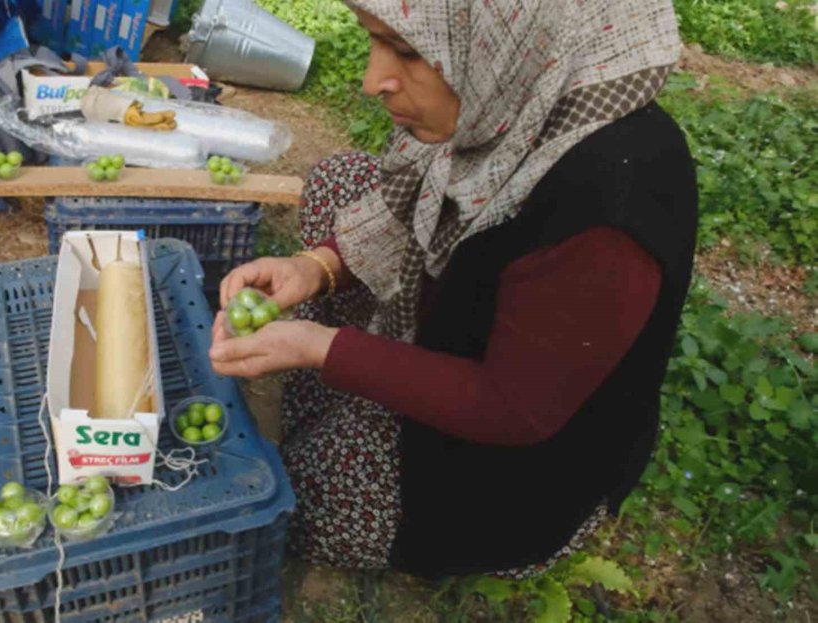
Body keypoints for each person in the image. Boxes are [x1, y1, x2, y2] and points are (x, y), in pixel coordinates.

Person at [210, 0, 697, 578]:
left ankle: (356, 406)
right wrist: (318, 267)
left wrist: (321, 347)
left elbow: (513, 408)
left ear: (506, 40)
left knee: (294, 498)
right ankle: (355, 387)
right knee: (341, 181)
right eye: (375, 41)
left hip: (509, 473)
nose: (373, 81)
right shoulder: (508, 101)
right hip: (460, 326)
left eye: (409, 52)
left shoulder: (605, 209)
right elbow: (399, 209)